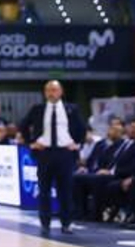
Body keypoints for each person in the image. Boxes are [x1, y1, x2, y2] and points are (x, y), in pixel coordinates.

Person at [19, 80, 87, 234]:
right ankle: (45, 222)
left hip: (65, 153)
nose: (51, 93)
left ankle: (66, 223)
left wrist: (77, 144)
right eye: (48, 90)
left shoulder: (72, 109)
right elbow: (23, 125)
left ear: (61, 92)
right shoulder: (38, 109)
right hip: (45, 152)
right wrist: (31, 143)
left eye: (54, 90)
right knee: (44, 190)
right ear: (44, 93)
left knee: (66, 189)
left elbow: (82, 128)